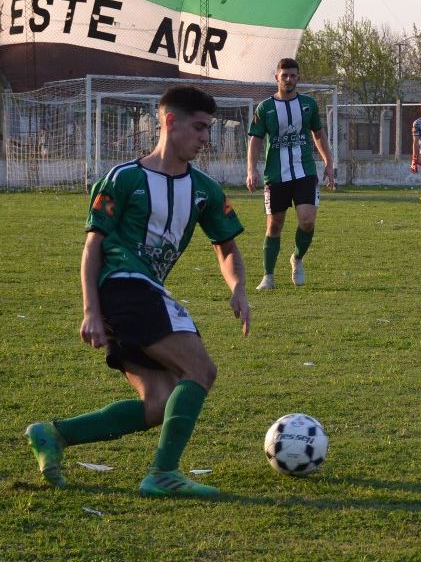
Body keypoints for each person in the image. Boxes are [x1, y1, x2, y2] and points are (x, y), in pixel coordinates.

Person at [25, 86, 251, 498]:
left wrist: (237, 287)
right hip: (125, 286)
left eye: (209, 129)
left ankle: (53, 435)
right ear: (170, 121)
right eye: (199, 128)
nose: (206, 138)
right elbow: (93, 247)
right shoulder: (124, 178)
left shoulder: (204, 189)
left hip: (138, 295)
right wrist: (90, 310)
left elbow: (227, 248)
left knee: (159, 402)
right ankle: (163, 473)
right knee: (200, 371)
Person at [246, 57, 335, 290]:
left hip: (305, 171)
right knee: (274, 225)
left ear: (298, 78)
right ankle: (268, 276)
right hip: (275, 175)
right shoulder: (265, 108)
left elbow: (318, 134)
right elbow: (255, 140)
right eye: (284, 75)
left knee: (307, 221)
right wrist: (251, 170)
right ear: (276, 77)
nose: (288, 79)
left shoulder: (308, 104)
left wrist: (328, 162)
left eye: (293, 75)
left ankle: (297, 258)